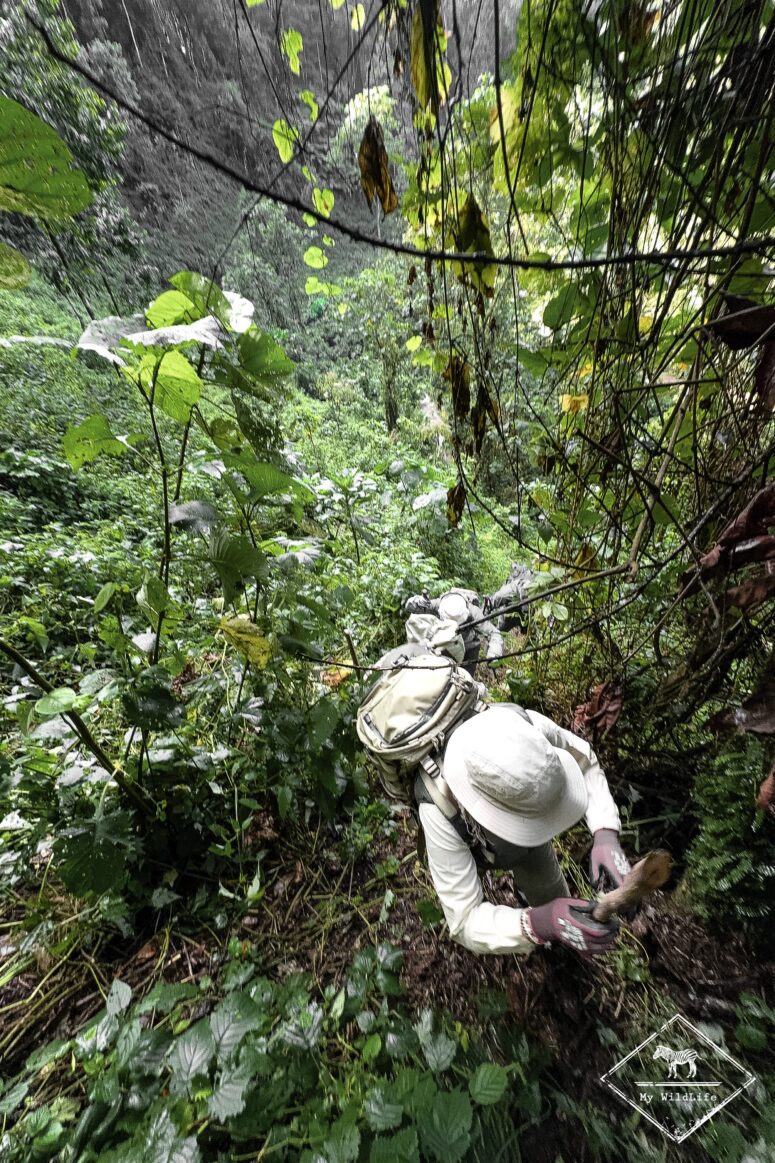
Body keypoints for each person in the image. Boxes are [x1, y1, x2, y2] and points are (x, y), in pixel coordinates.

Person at [414, 703, 630, 958]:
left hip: (515, 836)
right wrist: (538, 923)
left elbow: (583, 760)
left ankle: (560, 951)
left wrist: (605, 831)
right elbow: (464, 920)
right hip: (467, 835)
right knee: (474, 872)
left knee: (551, 892)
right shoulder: (439, 808)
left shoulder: (525, 727)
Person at [404, 587, 503, 674]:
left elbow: (494, 633)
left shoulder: (474, 612)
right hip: (444, 644)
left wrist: (494, 654)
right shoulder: (438, 604)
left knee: (466, 680)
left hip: (469, 649)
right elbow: (409, 607)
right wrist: (418, 602)